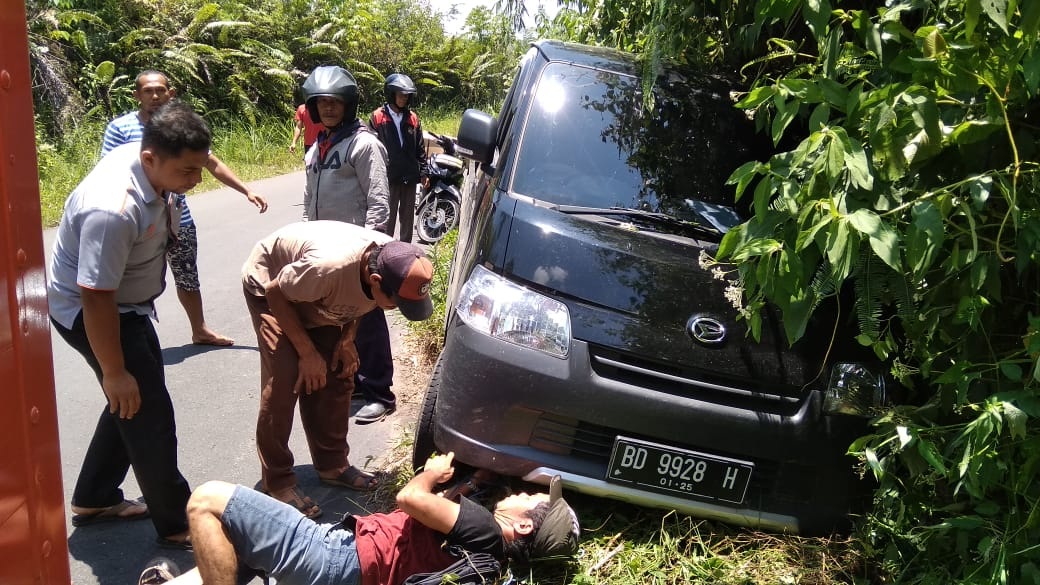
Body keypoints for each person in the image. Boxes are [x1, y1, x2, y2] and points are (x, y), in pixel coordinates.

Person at [48, 101, 210, 550]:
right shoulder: (113, 209)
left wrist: (121, 379)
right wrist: (115, 370)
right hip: (93, 311)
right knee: (147, 409)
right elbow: (95, 295)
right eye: (186, 173)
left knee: (130, 398)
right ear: (149, 159)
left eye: (200, 170)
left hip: (126, 306)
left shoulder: (156, 164)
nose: (194, 181)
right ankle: (178, 521)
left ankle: (95, 496)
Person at [136, 454, 580, 585]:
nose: (525, 492)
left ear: (524, 526)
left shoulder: (484, 529)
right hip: (351, 570)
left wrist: (429, 475)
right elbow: (436, 523)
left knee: (209, 501)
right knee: (234, 543)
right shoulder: (491, 560)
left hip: (334, 557)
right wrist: (469, 481)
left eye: (533, 500)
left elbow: (410, 499)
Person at [242, 220, 434, 519]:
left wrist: (346, 339)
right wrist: (306, 353)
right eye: (395, 302)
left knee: (340, 372)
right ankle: (276, 480)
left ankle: (332, 465)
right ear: (374, 279)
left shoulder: (394, 258)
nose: (395, 308)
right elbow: (275, 291)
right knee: (286, 379)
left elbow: (362, 301)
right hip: (271, 288)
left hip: (315, 294)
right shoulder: (328, 268)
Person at [101, 69, 269, 347]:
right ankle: (118, 335)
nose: (155, 96)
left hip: (178, 218)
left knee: (187, 274)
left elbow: (210, 162)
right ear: (136, 95)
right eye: (147, 91)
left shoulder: (179, 127)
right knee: (124, 276)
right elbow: (110, 170)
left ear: (171, 93)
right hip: (138, 219)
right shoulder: (120, 129)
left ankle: (199, 328)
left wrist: (246, 190)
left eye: (160, 90)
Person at [300, 65, 398, 425]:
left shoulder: (364, 144)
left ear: (348, 104)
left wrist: (370, 254)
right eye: (321, 102)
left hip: (357, 252)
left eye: (334, 102)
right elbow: (309, 199)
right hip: (325, 250)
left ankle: (379, 393)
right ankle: (356, 381)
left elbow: (379, 202)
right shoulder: (316, 149)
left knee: (367, 320)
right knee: (337, 317)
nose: (327, 108)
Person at [369, 73, 428, 244]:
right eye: (400, 94)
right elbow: (371, 148)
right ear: (391, 94)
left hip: (409, 176)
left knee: (407, 219)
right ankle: (384, 253)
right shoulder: (378, 117)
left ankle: (404, 253)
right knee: (387, 218)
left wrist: (424, 172)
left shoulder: (413, 118)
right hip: (388, 177)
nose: (403, 98)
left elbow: (420, 147)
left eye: (406, 95)